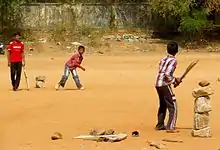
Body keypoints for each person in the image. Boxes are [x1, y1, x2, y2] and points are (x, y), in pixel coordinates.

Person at [155, 41, 181, 133]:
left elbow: (163, 72)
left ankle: (160, 125)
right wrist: (175, 81)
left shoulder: (163, 59)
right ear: (177, 51)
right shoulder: (173, 60)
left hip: (158, 84)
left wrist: (174, 80)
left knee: (163, 104)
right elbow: (167, 74)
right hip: (165, 84)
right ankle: (170, 126)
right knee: (173, 105)